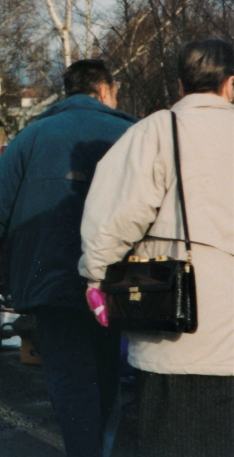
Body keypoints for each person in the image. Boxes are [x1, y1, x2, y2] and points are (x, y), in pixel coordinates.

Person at [0, 60, 136, 457]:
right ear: (105, 90)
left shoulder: (33, 134)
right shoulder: (133, 132)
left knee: (69, 376)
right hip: (117, 275)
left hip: (51, 275)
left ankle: (84, 448)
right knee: (107, 369)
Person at [80, 40, 234, 457]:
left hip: (178, 331)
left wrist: (96, 277)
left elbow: (112, 220)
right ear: (230, 85)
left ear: (181, 84)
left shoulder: (154, 132)